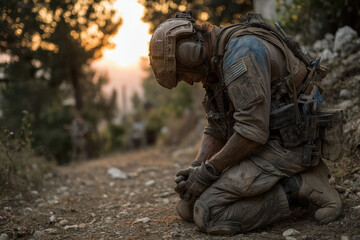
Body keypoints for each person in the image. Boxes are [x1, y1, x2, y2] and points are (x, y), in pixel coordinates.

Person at [148, 10, 344, 235]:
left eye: (183, 75)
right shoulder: (215, 60)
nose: (189, 82)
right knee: (187, 206)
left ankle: (299, 185)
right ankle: (281, 185)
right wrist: (197, 167)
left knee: (209, 213)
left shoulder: (240, 54)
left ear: (189, 53)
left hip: (289, 145)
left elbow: (251, 131)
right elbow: (217, 125)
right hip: (262, 144)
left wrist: (207, 172)